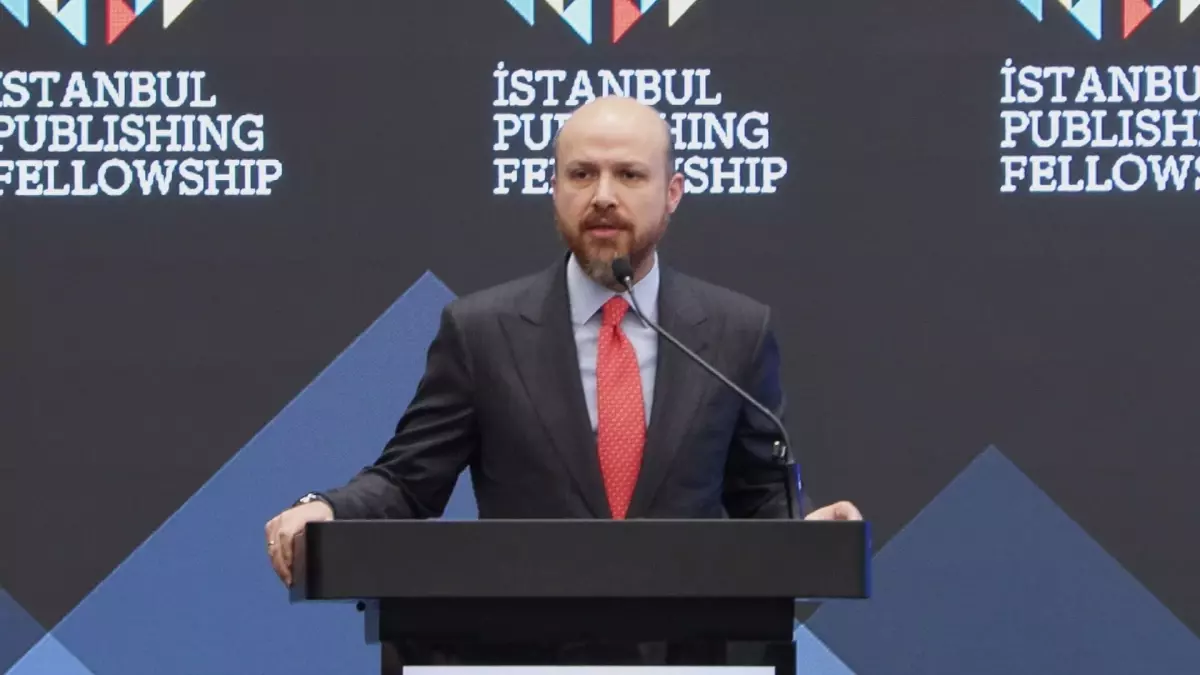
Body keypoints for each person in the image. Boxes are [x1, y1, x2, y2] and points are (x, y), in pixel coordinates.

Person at [265, 95, 861, 664]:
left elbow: (761, 495)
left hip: (689, 656)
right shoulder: (481, 332)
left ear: (673, 193)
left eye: (629, 175)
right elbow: (407, 483)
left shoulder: (737, 332)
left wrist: (807, 534)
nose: (603, 196)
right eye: (581, 174)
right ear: (555, 189)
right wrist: (328, 509)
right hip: (519, 655)